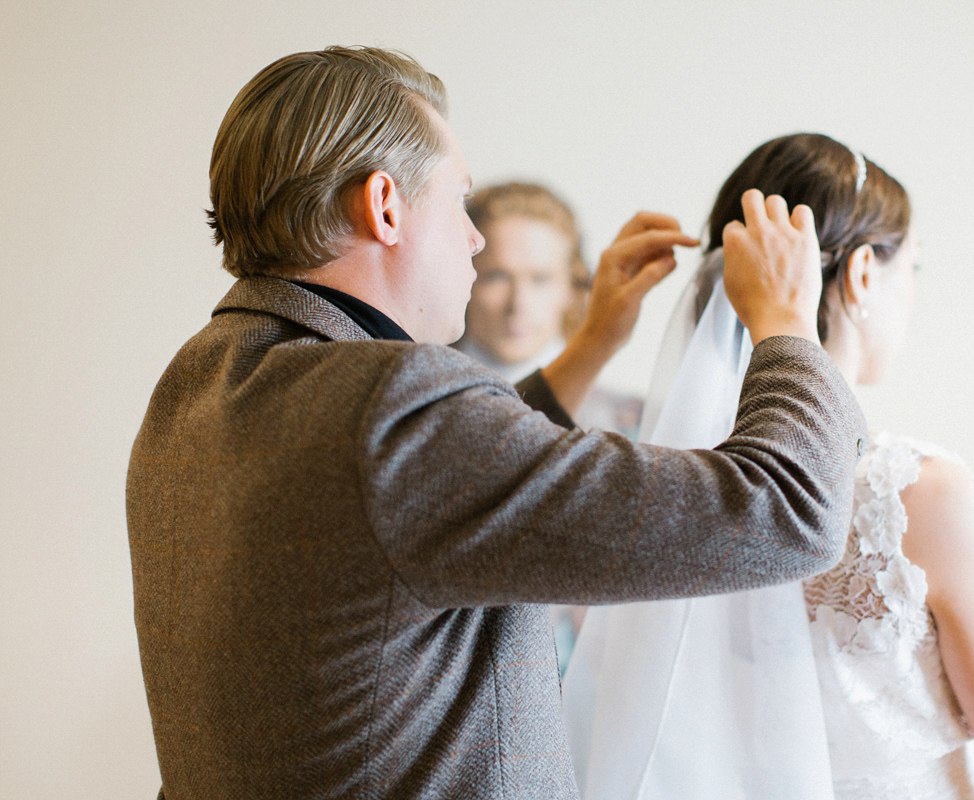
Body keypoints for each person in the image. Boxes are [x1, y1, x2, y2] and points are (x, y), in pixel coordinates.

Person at [125, 49, 869, 800]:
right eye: (459, 202)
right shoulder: (393, 407)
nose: (475, 240)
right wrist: (784, 322)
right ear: (384, 206)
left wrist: (589, 348)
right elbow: (786, 512)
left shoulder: (198, 382)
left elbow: (426, 502)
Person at [563, 134, 974, 800]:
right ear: (863, 274)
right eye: (911, 267)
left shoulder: (676, 492)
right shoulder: (925, 498)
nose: (911, 293)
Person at [455, 182, 645, 672]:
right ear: (463, 275)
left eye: (540, 278)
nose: (517, 304)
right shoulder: (415, 402)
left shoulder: (633, 422)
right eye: (497, 275)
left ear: (572, 286)